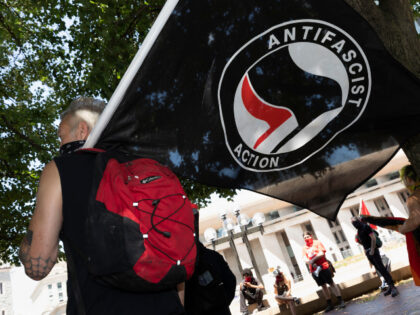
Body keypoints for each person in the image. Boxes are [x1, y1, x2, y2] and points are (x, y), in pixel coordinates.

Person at [18, 97, 185, 314]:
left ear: (82, 131)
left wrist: (30, 239)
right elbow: (178, 259)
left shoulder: (60, 169)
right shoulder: (153, 169)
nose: (60, 145)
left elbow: (37, 267)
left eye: (61, 136)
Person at [351, 216, 399, 297]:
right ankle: (389, 287)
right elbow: (362, 243)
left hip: (373, 251)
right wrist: (367, 252)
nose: (354, 224)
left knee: (382, 269)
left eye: (354, 222)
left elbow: (373, 238)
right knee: (379, 270)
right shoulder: (359, 231)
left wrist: (372, 250)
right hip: (368, 252)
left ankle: (393, 287)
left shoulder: (366, 227)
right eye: (352, 223)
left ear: (359, 220)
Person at [302, 231, 345, 312]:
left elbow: (321, 253)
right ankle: (330, 304)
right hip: (314, 270)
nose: (306, 239)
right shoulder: (304, 248)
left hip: (324, 267)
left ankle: (340, 301)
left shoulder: (317, 243)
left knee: (331, 283)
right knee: (323, 286)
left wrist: (313, 260)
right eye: (305, 238)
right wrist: (310, 262)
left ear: (311, 236)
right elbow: (304, 258)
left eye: (307, 236)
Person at [398, 165, 420, 234]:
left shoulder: (413, 198)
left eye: (404, 180)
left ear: (408, 179)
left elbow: (415, 221)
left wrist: (401, 229)